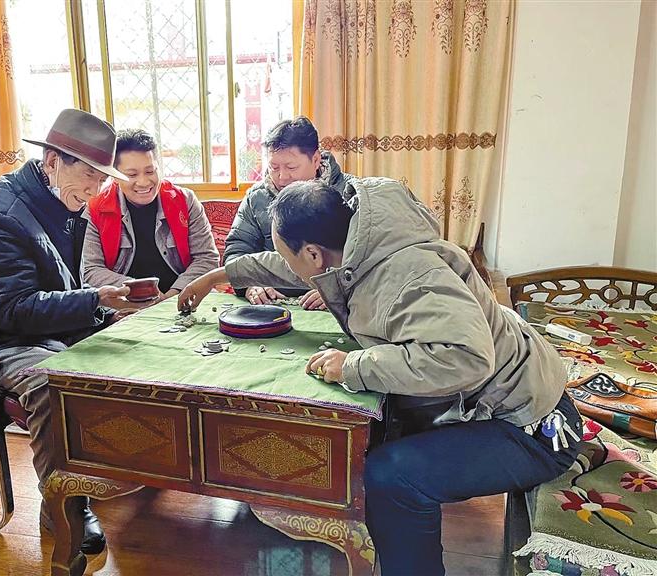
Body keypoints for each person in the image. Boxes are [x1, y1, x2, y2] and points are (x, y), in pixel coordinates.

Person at [178, 178, 582, 576]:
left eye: (292, 255)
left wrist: (352, 366)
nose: (291, 268)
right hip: (502, 399)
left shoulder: (409, 276)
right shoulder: (363, 242)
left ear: (315, 254)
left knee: (391, 475)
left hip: (533, 428)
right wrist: (217, 277)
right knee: (375, 430)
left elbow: (467, 358)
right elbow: (286, 266)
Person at [0, 109, 135, 555]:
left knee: (131, 344)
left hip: (37, 331)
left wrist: (105, 314)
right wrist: (94, 301)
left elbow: (59, 288)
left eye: (102, 178)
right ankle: (64, 503)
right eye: (89, 175)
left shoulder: (61, 201)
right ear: (52, 161)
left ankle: (122, 463)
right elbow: (11, 311)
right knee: (53, 383)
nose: (96, 189)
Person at [223, 116, 353, 310]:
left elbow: (366, 258)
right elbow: (237, 250)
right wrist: (250, 284)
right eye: (273, 167)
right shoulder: (256, 197)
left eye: (291, 167)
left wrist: (338, 288)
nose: (282, 177)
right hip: (273, 302)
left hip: (335, 306)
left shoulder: (349, 193)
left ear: (316, 159)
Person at [82, 129, 219, 300]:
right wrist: (142, 292)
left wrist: (173, 296)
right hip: (126, 300)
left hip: (183, 296)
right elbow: (90, 269)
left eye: (150, 171)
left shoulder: (185, 200)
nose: (143, 182)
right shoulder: (94, 209)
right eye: (132, 175)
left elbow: (207, 258)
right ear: (114, 176)